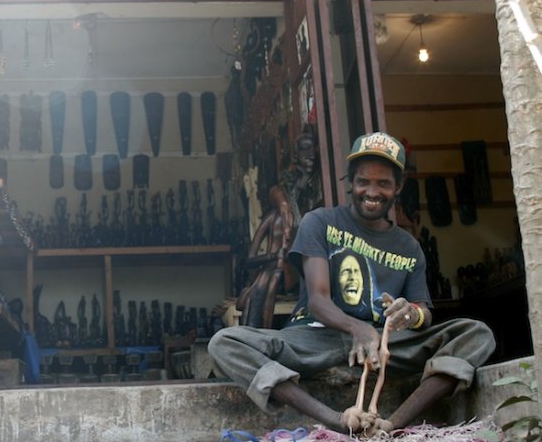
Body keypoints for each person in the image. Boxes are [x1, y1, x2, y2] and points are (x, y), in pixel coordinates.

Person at [209, 131, 496, 436]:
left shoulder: (409, 247)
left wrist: (410, 314)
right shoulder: (320, 222)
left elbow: (423, 311)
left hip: (384, 347)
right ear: (351, 184)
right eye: (363, 181)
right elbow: (318, 301)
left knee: (476, 333)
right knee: (224, 343)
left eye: (383, 183)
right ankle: (335, 421)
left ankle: (391, 424)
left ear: (398, 187)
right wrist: (356, 328)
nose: (372, 191)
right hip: (316, 338)